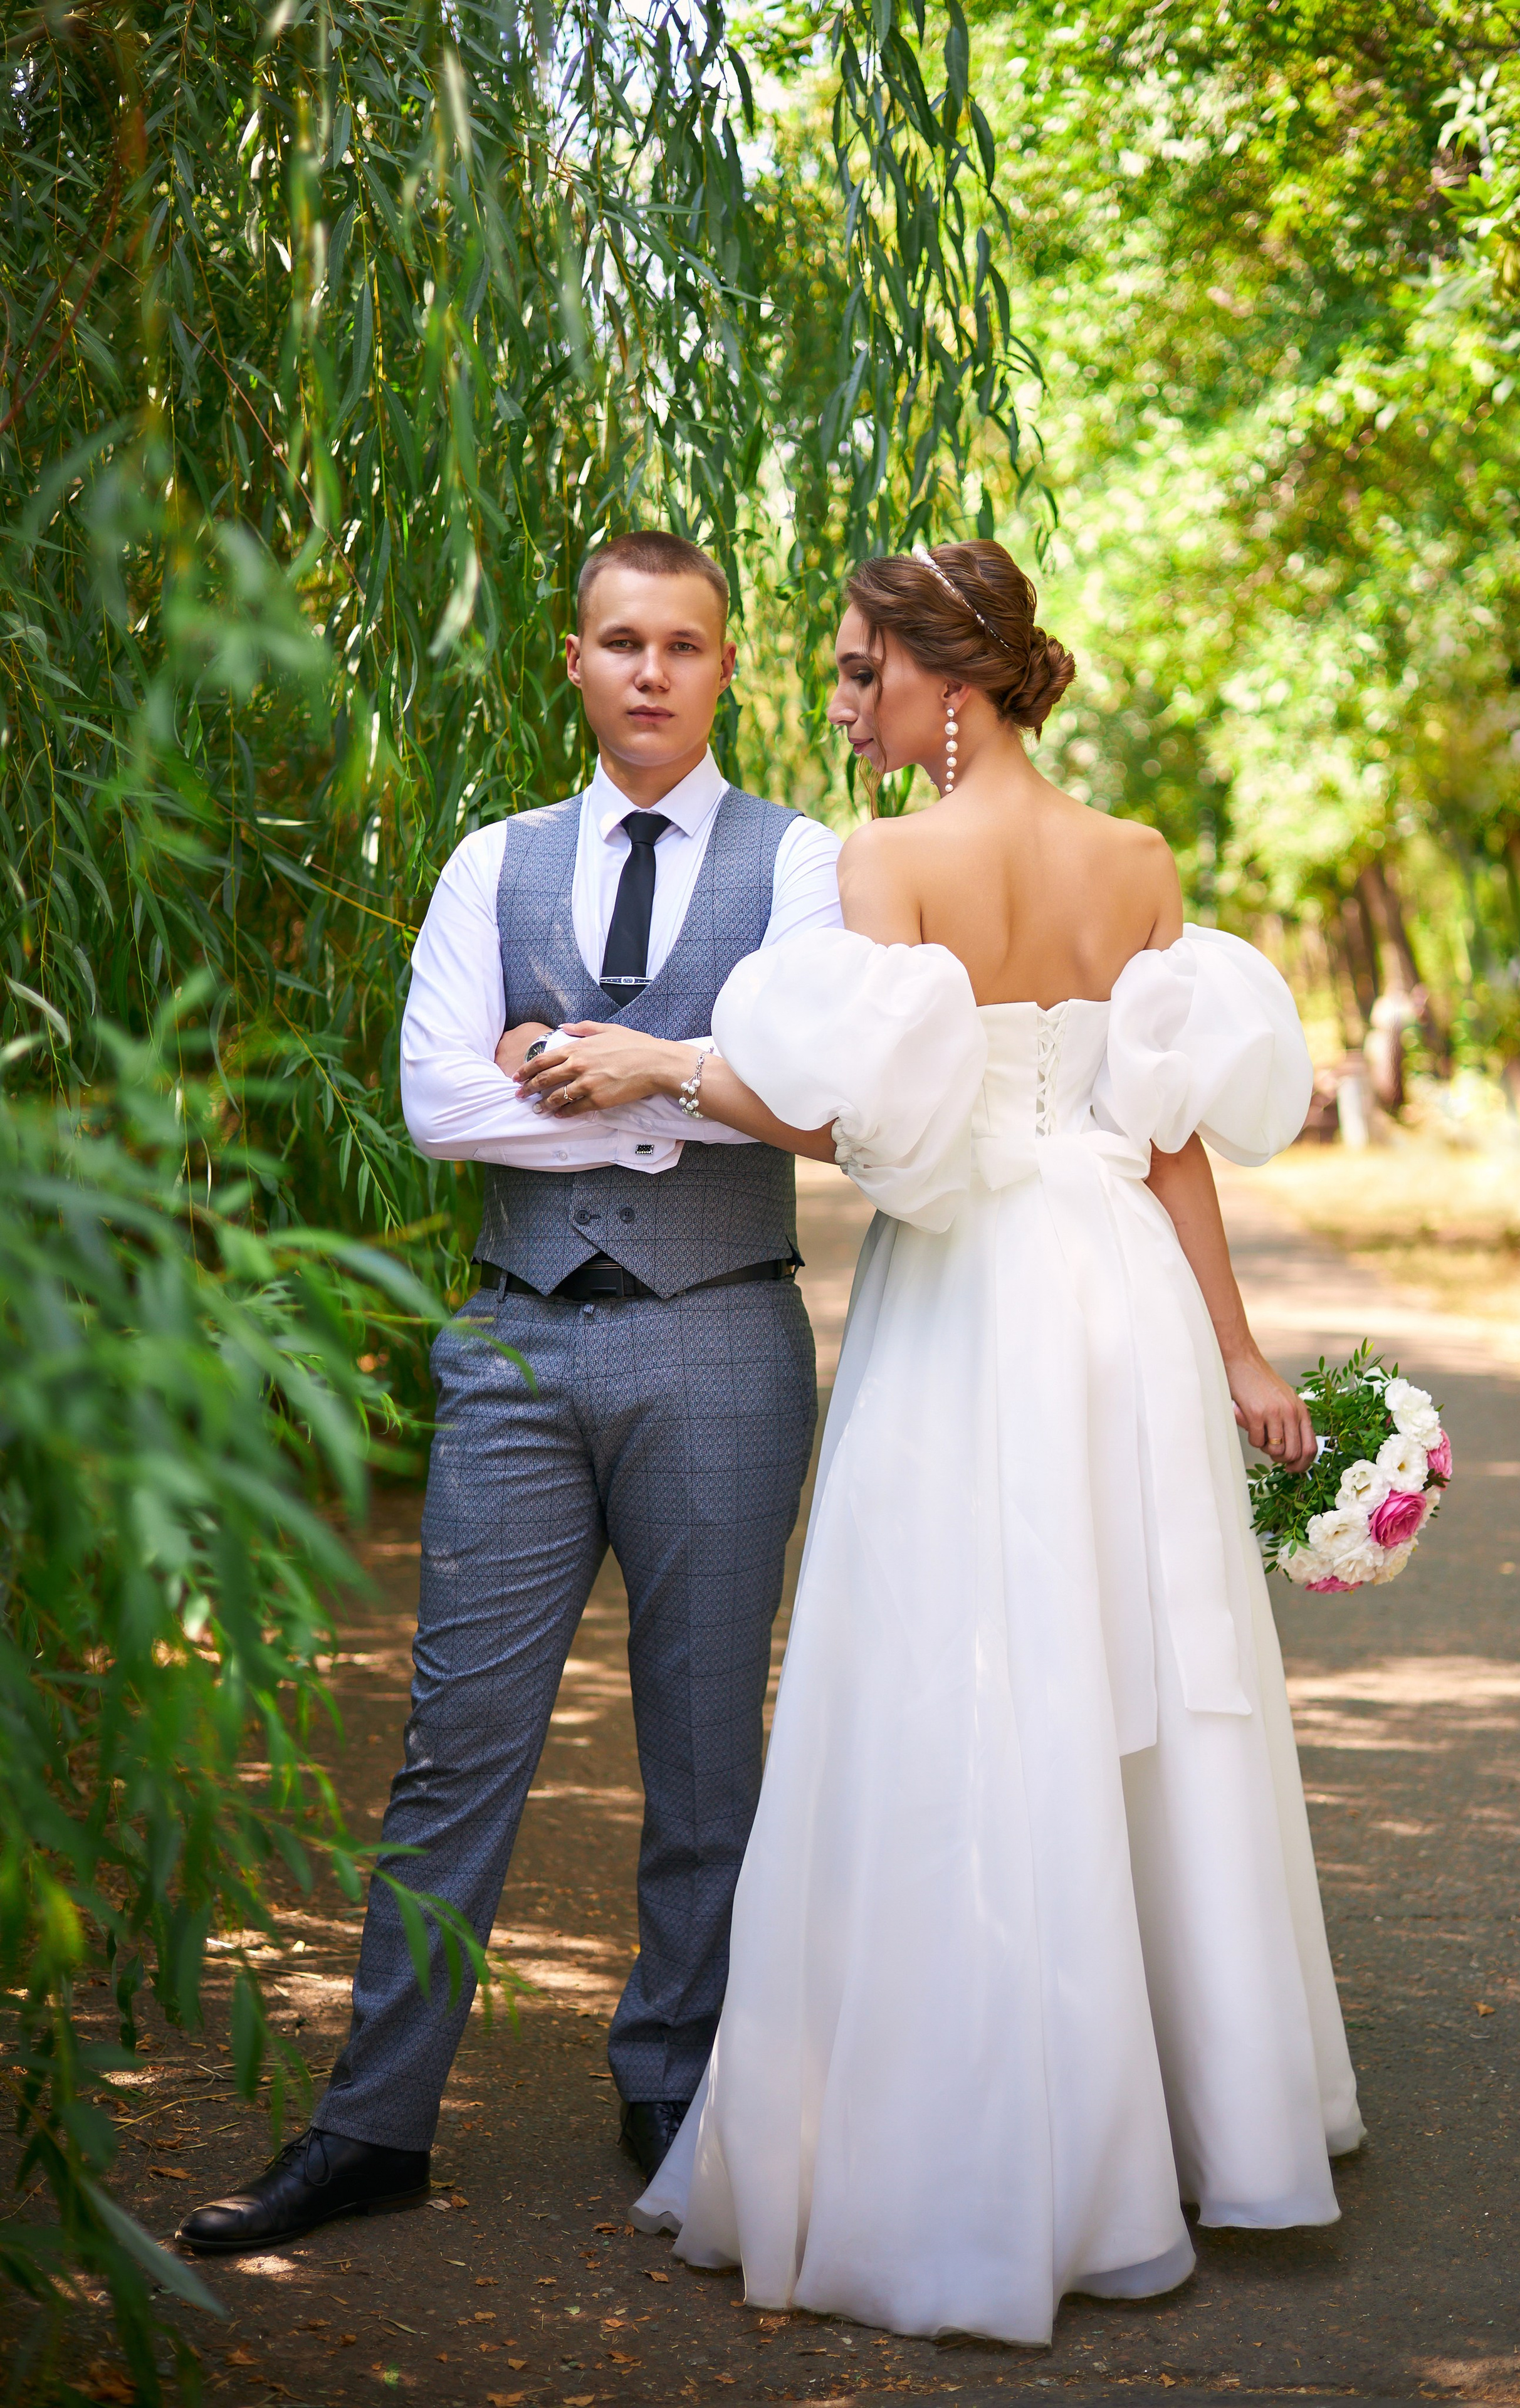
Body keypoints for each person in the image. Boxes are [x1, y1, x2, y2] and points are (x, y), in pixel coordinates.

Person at [545, 538, 1365, 2342]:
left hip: (976, 1299)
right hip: (1129, 1299)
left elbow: (873, 1136)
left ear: (953, 688)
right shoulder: (1137, 861)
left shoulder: (886, 862)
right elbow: (1167, 1137)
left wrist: (662, 1063)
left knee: (958, 1678)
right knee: (1141, 1676)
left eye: (864, 673)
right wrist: (1237, 1349)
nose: (846, 706)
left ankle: (987, 2139)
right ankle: (1205, 2117)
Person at [179, 530, 843, 2255]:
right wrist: (675, 1091)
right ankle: (371, 2122)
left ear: (724, 666)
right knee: (453, 1750)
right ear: (572, 659)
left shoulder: (809, 867)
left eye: (683, 645)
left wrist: (587, 1068)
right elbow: (433, 1102)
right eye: (620, 640)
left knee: (710, 1754)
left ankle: (676, 2090)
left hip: (723, 1337)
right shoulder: (493, 859)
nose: (649, 671)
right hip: (515, 1341)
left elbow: (827, 1098)